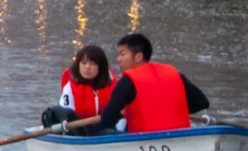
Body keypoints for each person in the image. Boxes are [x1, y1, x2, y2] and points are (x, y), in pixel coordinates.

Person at [83, 33, 211, 135]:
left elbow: (106, 121)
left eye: (122, 54)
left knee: (103, 131)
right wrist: (171, 109)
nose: (118, 59)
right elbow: (202, 103)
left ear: (138, 57)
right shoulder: (174, 73)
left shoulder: (127, 81)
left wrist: (125, 114)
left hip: (145, 139)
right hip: (181, 137)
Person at [41, 45, 118, 131]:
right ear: (78, 65)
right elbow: (65, 115)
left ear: (101, 67)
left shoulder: (113, 85)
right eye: (84, 63)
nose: (87, 67)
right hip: (81, 131)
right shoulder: (70, 88)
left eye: (92, 63)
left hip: (108, 128)